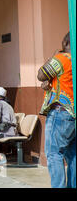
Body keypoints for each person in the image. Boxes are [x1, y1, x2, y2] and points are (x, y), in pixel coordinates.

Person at [37, 32, 75, 188]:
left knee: (54, 154)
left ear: (65, 41)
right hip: (73, 114)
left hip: (60, 113)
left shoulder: (62, 58)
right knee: (73, 155)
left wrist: (53, 58)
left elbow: (41, 74)